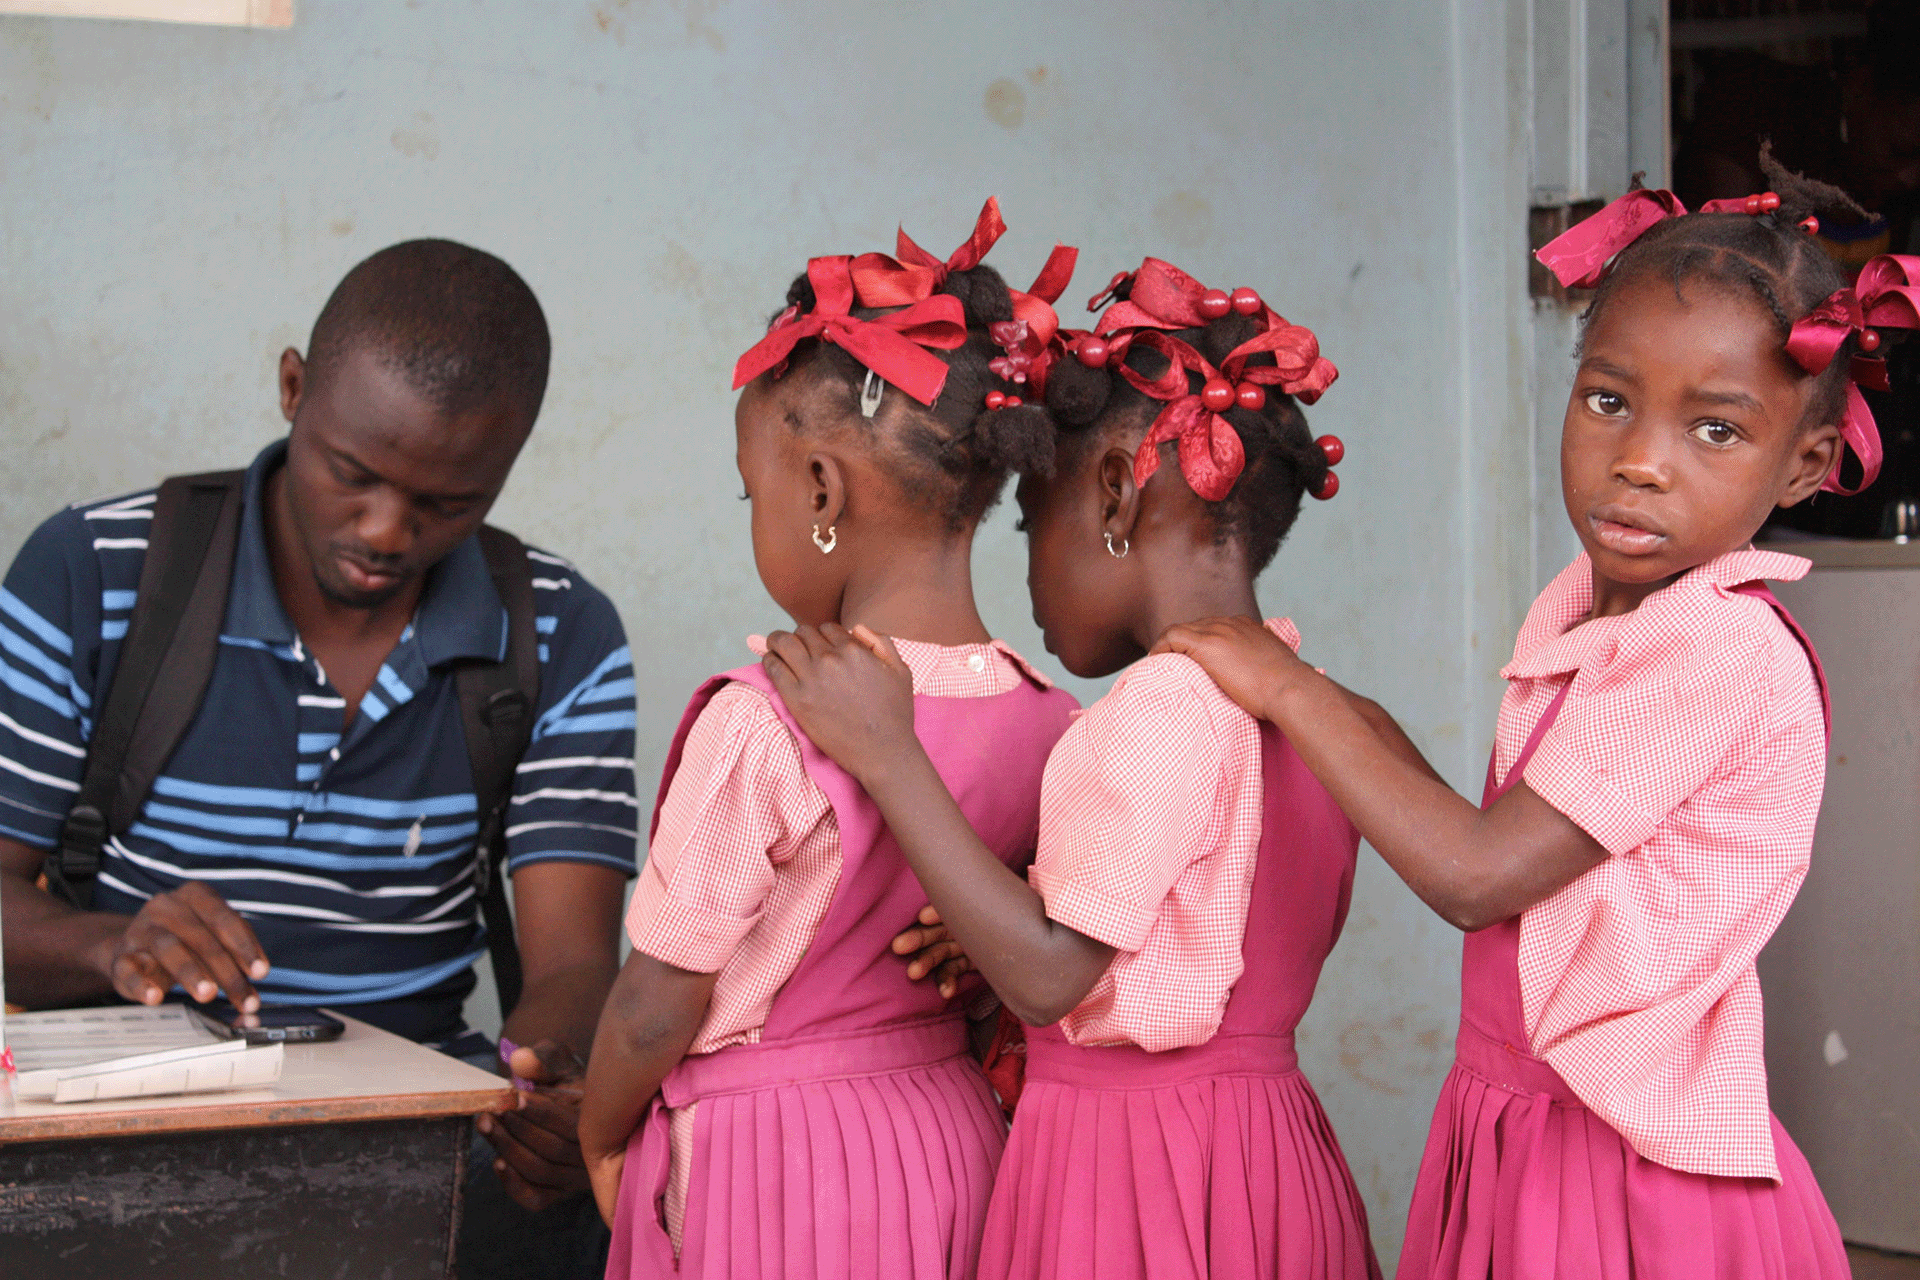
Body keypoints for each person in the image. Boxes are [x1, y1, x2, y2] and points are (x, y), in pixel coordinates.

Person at [1157, 158, 1902, 1278]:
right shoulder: (1597, 615)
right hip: (1524, 1118)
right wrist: (1299, 684)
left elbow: (1475, 874)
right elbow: (1501, 847)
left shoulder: (1713, 647)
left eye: (1715, 431)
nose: (1640, 460)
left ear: (1805, 462)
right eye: (1609, 400)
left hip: (1629, 1175)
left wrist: (1291, 691)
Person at [0, 240, 637, 1280]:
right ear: (293, 386)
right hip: (121, 1146)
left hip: (421, 1158)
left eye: (448, 503)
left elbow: (571, 966)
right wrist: (114, 946)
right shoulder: (94, 574)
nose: (388, 531)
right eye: (353, 473)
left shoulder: (559, 631)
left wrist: (548, 1085)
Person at [760, 258, 1381, 1280]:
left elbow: (1052, 975)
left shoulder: (1153, 710)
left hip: (1138, 1166)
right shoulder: (1302, 698)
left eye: (1031, 519)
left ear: (1110, 498)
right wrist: (995, 907)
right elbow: (1187, 921)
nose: (1032, 571)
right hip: (1269, 1152)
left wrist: (888, 752)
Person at [578, 200, 1080, 1280]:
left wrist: (597, 1125)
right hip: (958, 1143)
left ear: (818, 490)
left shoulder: (770, 717)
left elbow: (658, 1000)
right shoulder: (1051, 718)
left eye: (750, 489)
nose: (753, 509)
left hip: (774, 1169)